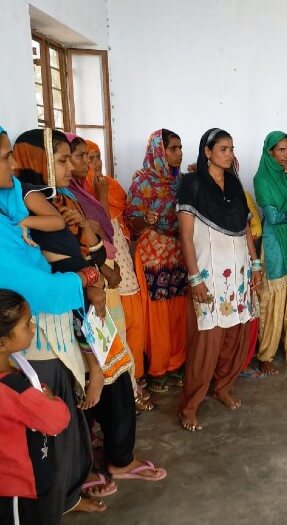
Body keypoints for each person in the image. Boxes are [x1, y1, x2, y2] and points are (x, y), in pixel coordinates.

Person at [4, 126, 109, 513]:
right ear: (41, 161)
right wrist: (84, 277)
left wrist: (86, 265)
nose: (11, 164)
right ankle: (61, 497)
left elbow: (79, 242)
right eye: (62, 159)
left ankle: (71, 490)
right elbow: (35, 272)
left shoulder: (38, 199)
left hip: (62, 313)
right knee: (49, 424)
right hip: (40, 328)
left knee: (66, 412)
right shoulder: (24, 198)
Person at [177, 128, 261, 431]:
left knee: (234, 334)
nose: (229, 154)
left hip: (237, 272)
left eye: (231, 149)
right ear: (207, 152)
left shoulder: (235, 186)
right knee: (207, 339)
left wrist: (256, 264)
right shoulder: (192, 185)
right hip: (209, 274)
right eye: (223, 149)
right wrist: (195, 278)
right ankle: (190, 405)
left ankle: (223, 386)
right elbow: (186, 237)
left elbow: (245, 229)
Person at [84, 140, 151, 410]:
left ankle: (134, 378)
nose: (95, 164)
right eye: (87, 158)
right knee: (116, 333)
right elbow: (99, 227)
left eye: (97, 157)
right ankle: (129, 391)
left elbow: (125, 227)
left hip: (122, 263)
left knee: (135, 325)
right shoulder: (80, 193)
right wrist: (99, 194)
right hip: (104, 272)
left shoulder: (112, 186)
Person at [0, 290, 71, 525]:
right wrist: (50, 398)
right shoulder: (15, 390)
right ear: (3, 342)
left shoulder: (14, 370)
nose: (32, 327)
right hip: (19, 486)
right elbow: (57, 420)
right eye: (26, 324)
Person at [125, 129, 188, 392]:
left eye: (180, 148)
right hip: (153, 251)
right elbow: (132, 218)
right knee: (158, 312)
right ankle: (158, 367)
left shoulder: (182, 181)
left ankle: (177, 362)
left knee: (179, 309)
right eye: (172, 149)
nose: (179, 153)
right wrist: (146, 219)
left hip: (179, 249)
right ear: (158, 152)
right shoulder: (143, 181)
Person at [253, 131, 287, 375]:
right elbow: (273, 216)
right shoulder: (261, 178)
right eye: (281, 150)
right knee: (272, 297)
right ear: (270, 152)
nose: (286, 154)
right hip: (274, 242)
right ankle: (266, 353)